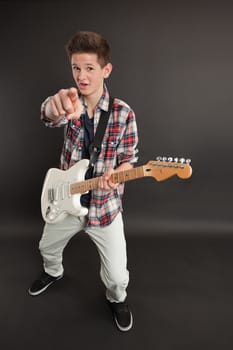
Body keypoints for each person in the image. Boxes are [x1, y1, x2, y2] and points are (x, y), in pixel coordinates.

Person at [28, 31, 139, 332]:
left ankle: (116, 299)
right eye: (76, 68)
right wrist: (54, 105)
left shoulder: (123, 113)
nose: (81, 76)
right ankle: (54, 272)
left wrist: (117, 177)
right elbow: (49, 114)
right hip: (65, 201)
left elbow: (129, 158)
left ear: (106, 70)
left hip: (105, 208)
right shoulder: (70, 105)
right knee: (46, 248)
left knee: (117, 278)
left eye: (89, 68)